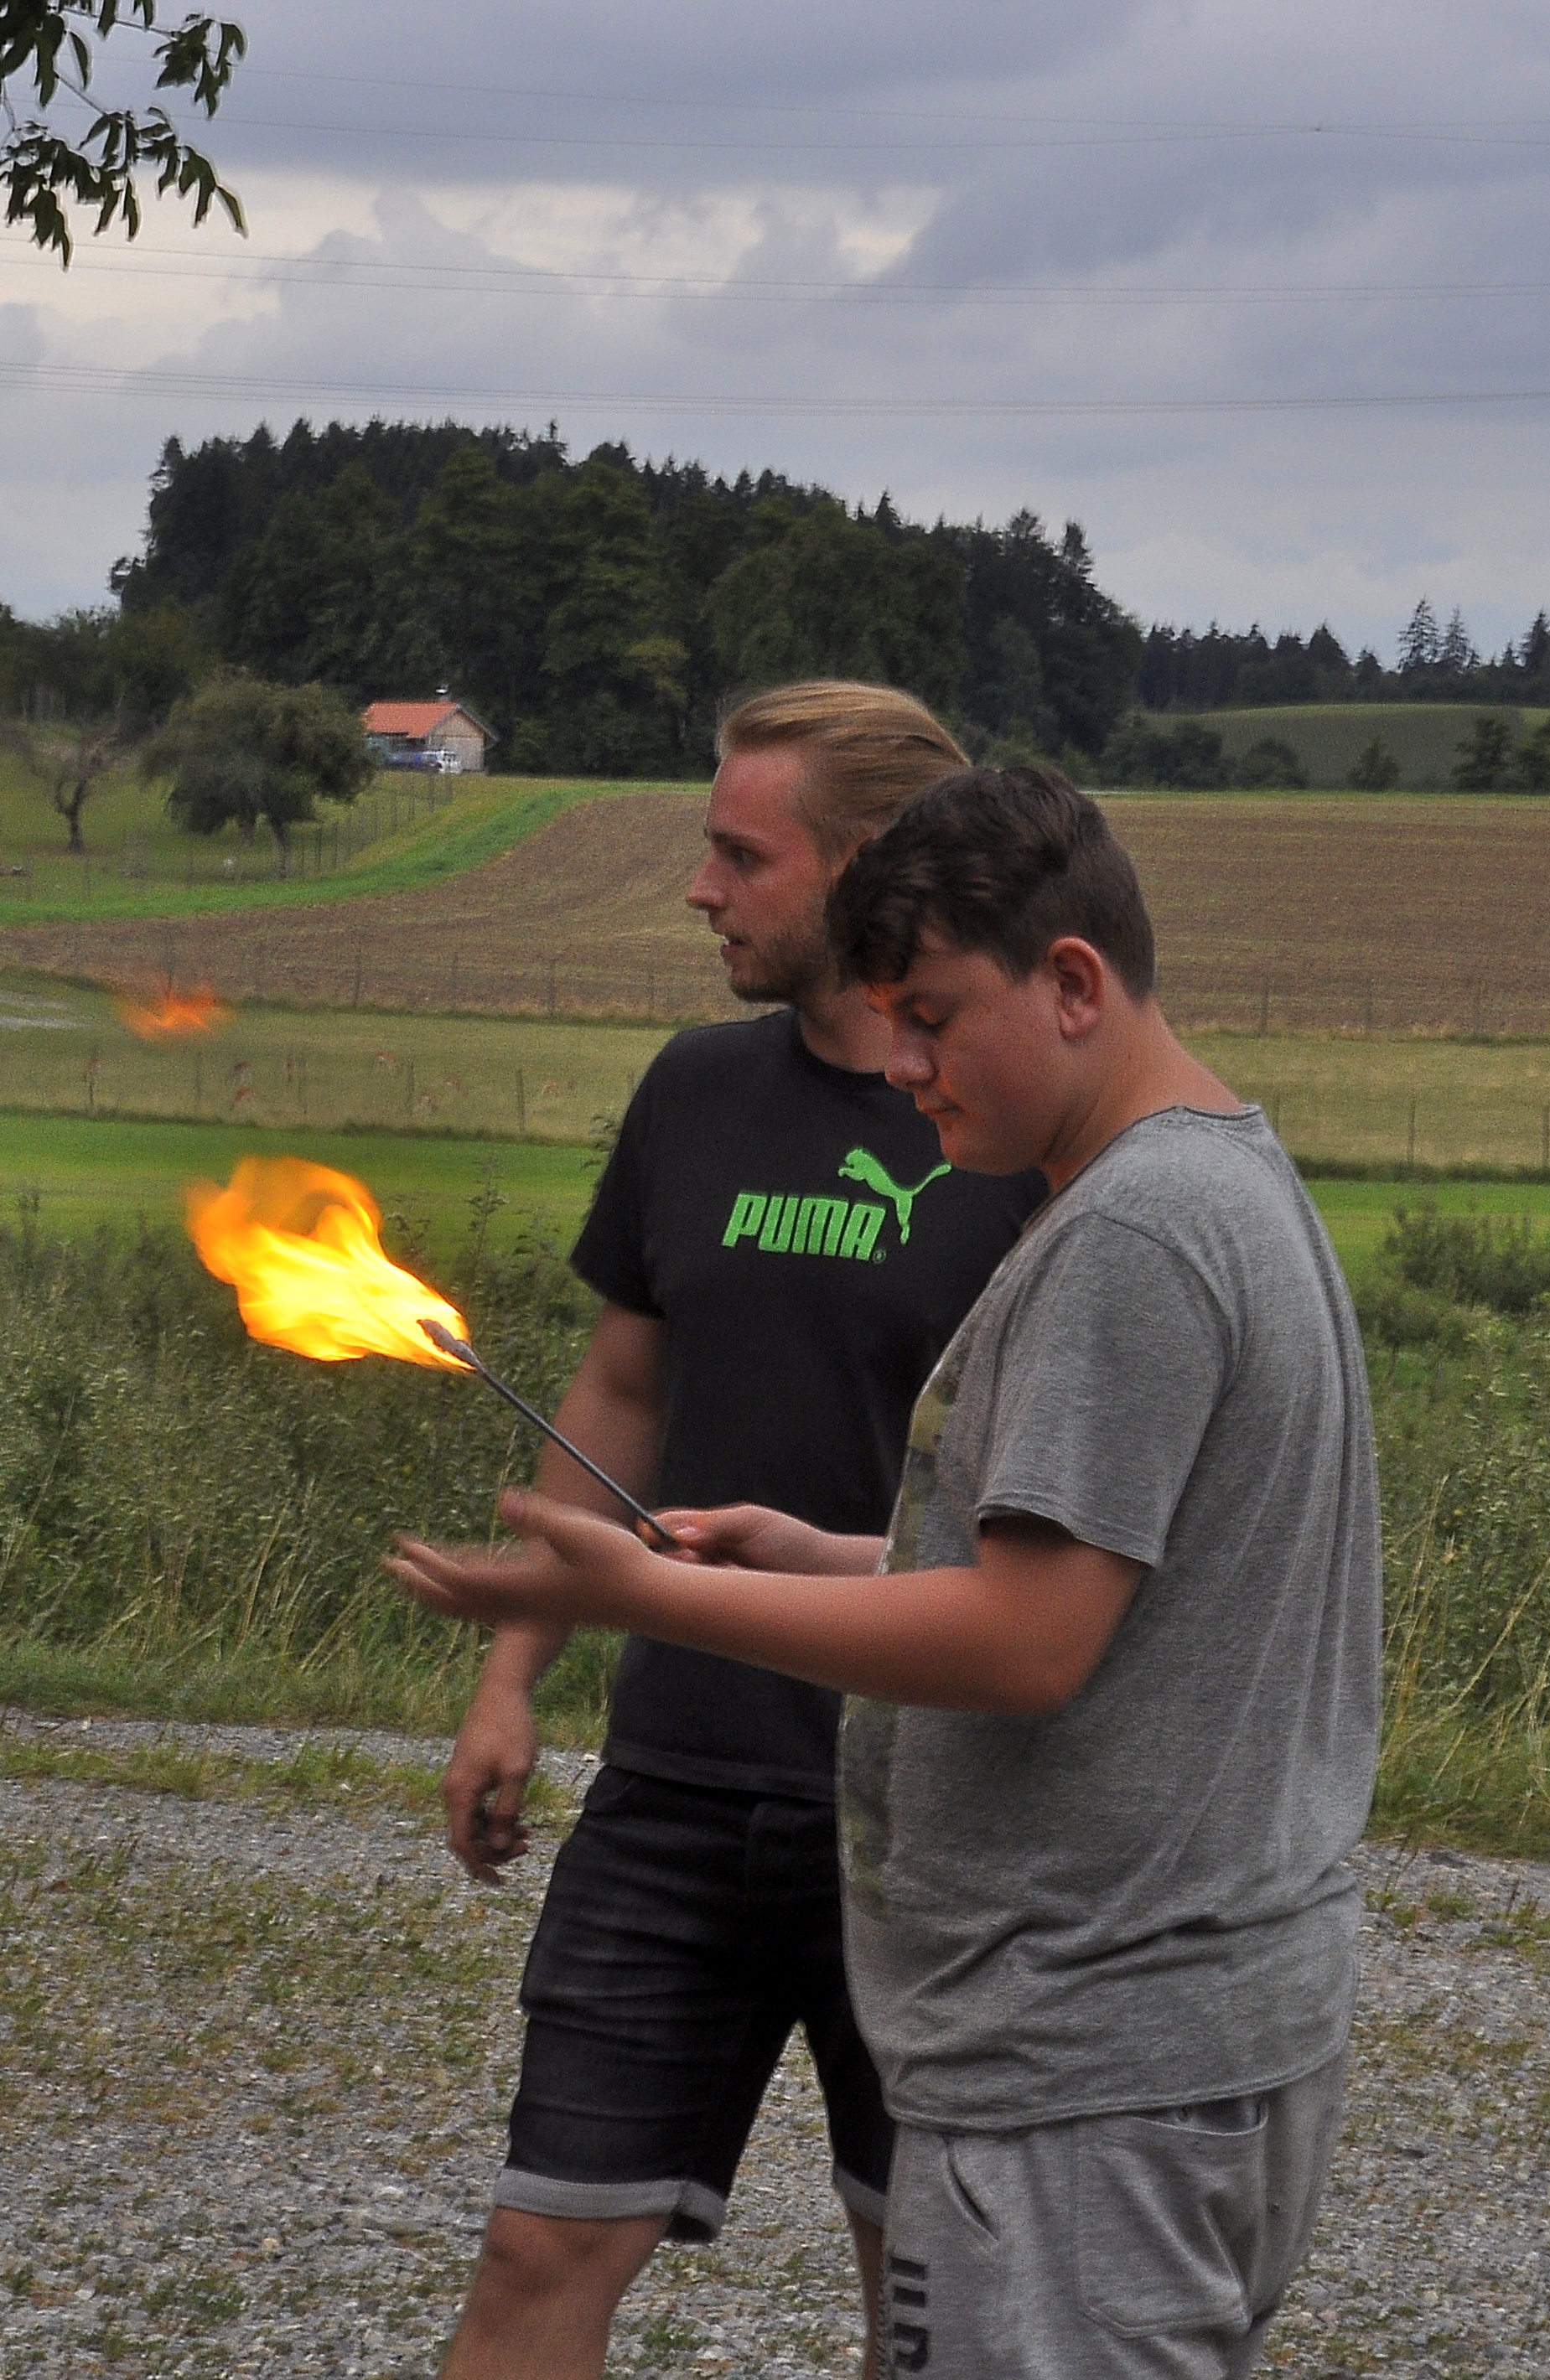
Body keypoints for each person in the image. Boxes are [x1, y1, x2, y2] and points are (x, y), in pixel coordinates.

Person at [392, 764, 1382, 2380]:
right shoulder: (1222, 1179)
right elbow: (1112, 1582)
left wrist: (639, 1596)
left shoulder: (1129, 1235)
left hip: (1091, 2052)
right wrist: (829, 1557)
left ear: (1072, 984)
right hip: (1195, 2031)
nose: (903, 1065)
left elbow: (1028, 1641)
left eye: (932, 1017)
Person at [429, 691, 1046, 2378]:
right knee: (537, 2245)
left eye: (738, 853)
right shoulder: (694, 1092)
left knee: (922, 2294)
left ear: (869, 864)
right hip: (677, 1785)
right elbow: (623, 1385)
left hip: (930, 1814)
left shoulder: (1014, 1134)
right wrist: (510, 1678)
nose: (701, 888)